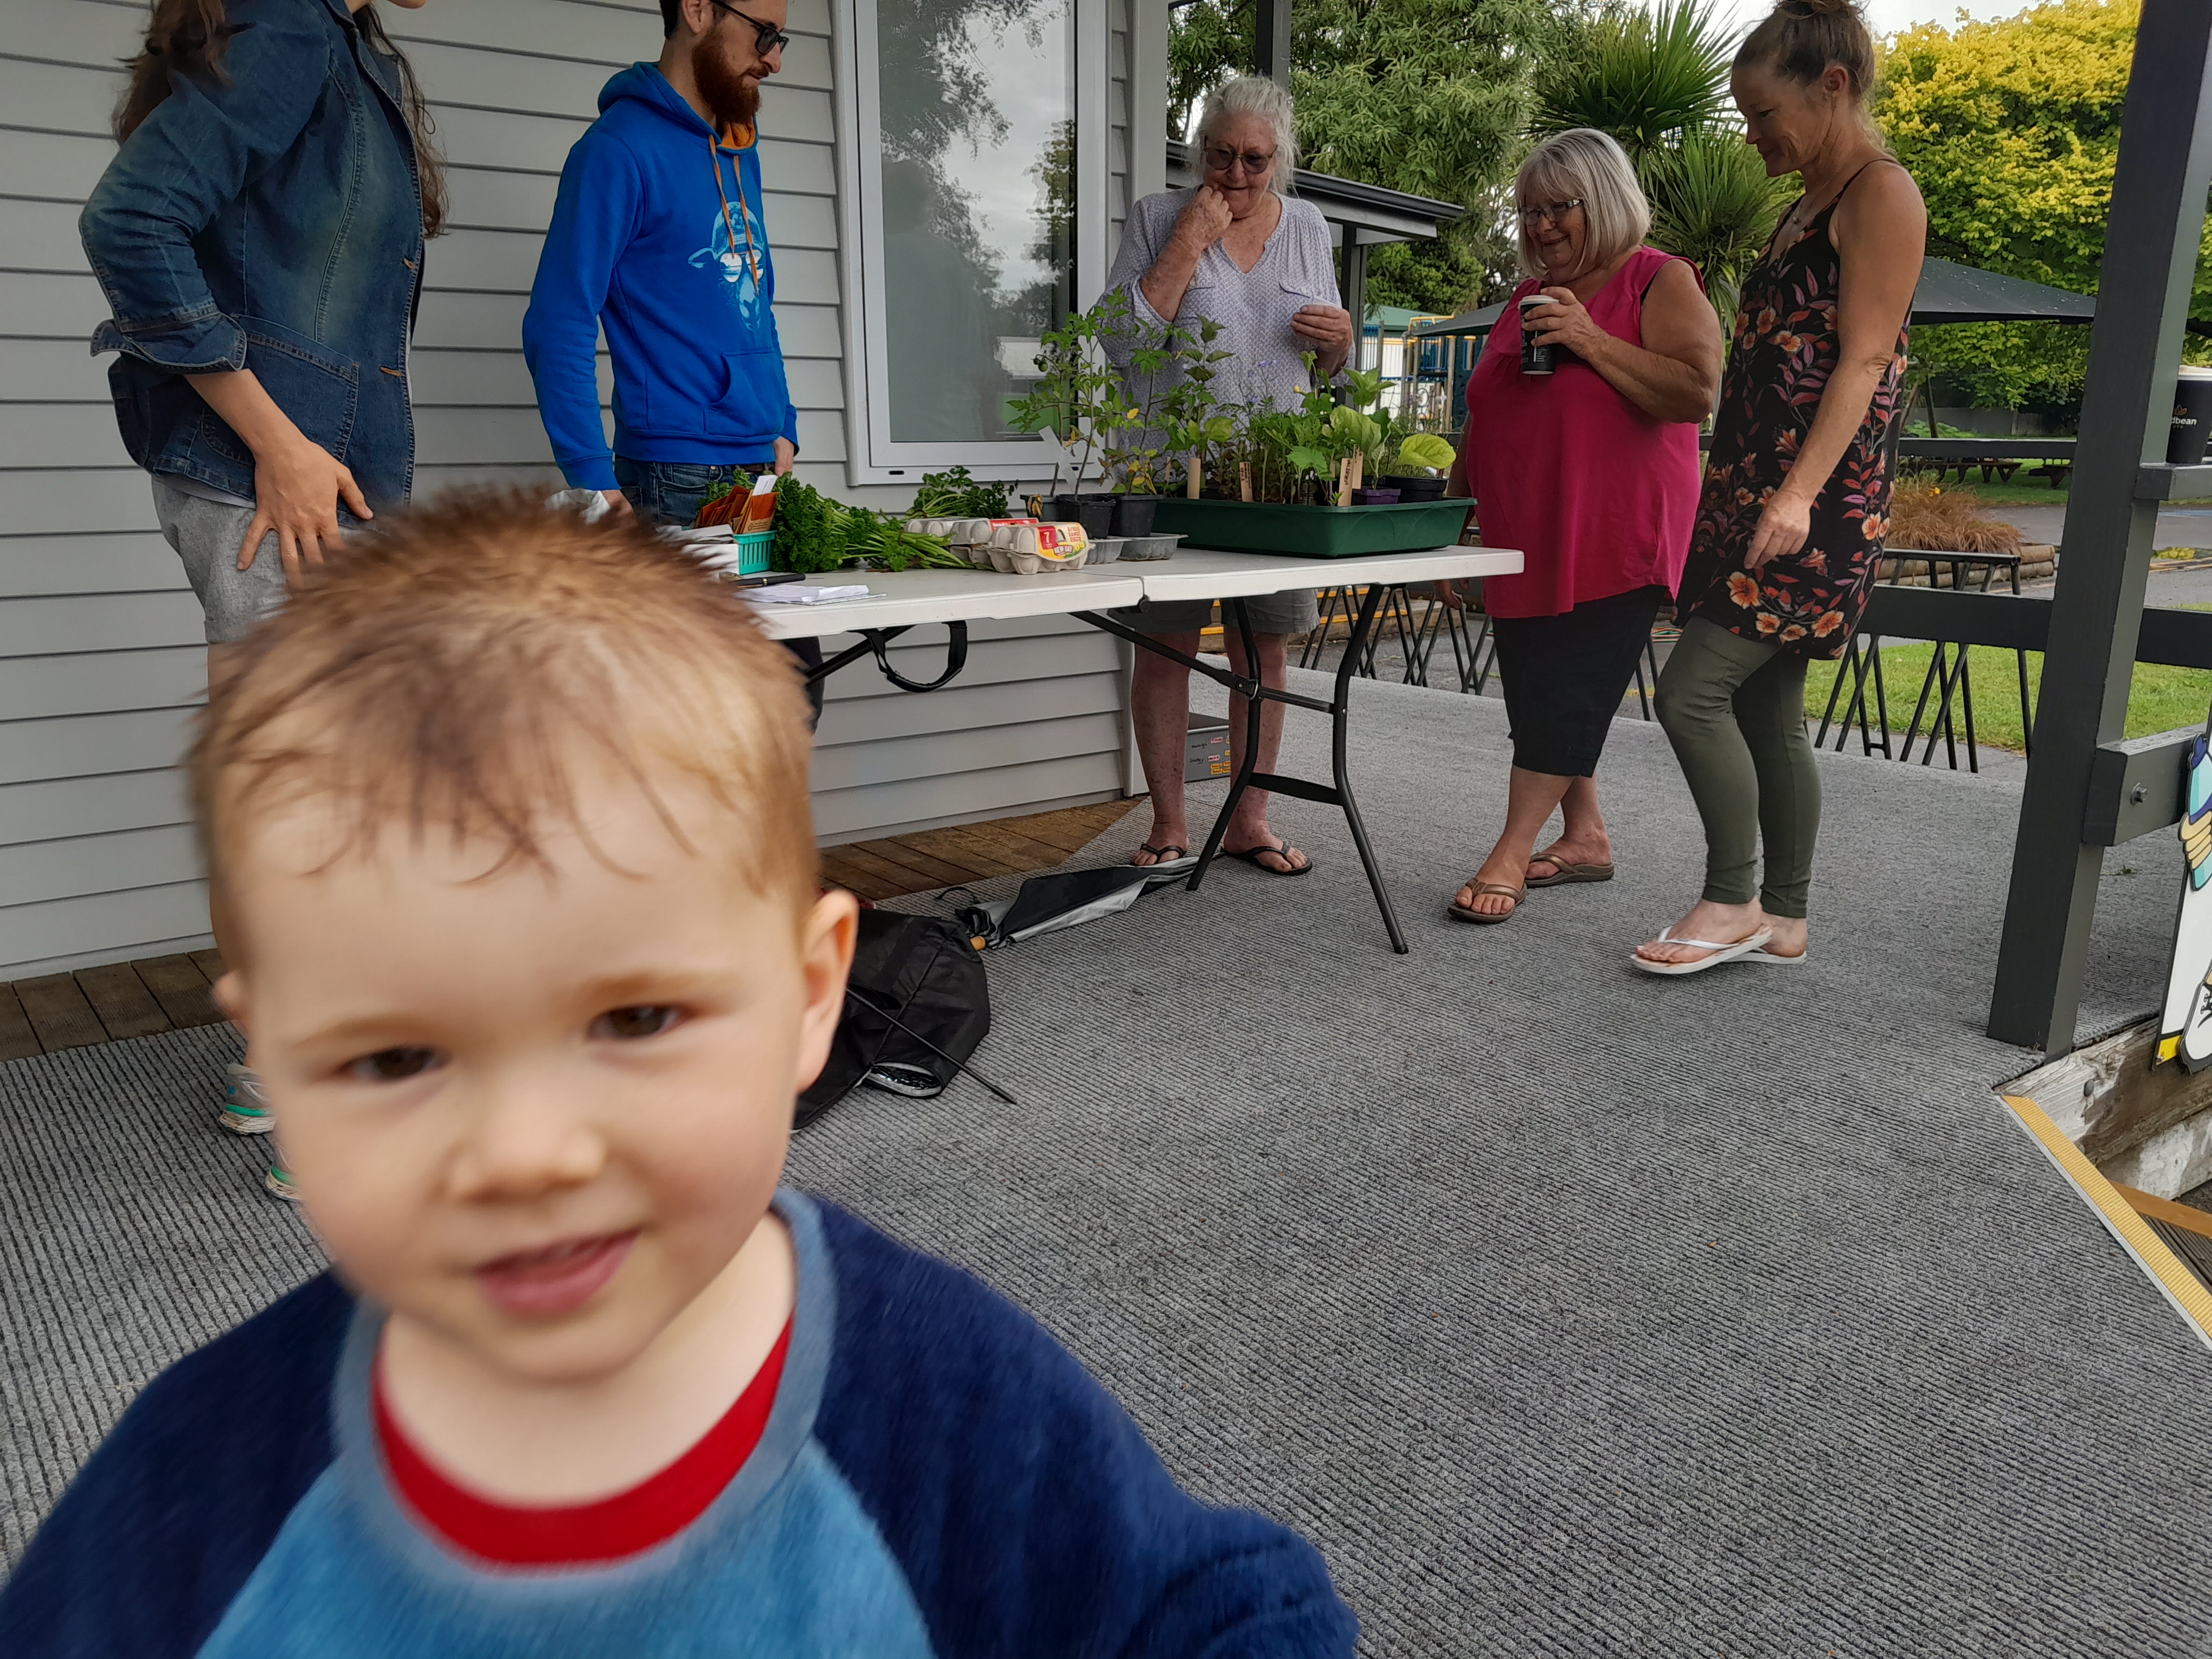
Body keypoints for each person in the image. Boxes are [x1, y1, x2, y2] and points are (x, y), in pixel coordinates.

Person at [0, 496, 1360, 1657]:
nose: (527, 1152)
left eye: (637, 1017)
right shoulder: (186, 1500)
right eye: (395, 1055)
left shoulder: (943, 1408)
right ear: (275, 1064)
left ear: (811, 993)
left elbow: (1211, 1611)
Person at [79, 0, 444, 1194]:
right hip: (274, 492)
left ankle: (275, 1068)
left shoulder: (338, 40)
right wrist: (277, 442)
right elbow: (132, 221)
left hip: (300, 483)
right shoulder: (291, 25)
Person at [1635, 0, 1924, 974]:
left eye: (1763, 114)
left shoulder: (1880, 195)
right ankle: (1786, 917)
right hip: (1754, 491)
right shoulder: (1806, 200)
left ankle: (1732, 897)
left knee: (1690, 696)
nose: (1752, 135)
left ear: (1832, 85)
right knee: (1766, 708)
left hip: (1815, 505)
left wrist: (1796, 498)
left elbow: (1867, 361)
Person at [1443, 130, 1722, 925]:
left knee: (1566, 688)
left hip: (1614, 533)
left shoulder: (1656, 281)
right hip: (1519, 536)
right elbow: (1486, 414)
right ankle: (1586, 835)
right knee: (1537, 691)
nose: (1539, 228)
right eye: (1528, 212)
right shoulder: (1524, 300)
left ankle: (1508, 854)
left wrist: (1592, 339)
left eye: (1556, 209)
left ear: (1602, 202)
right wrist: (1454, 521)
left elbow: (1697, 392)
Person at [522, 0, 822, 702]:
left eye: (785, 40)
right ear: (697, 10)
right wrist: (593, 480)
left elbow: (754, 300)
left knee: (787, 695)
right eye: (765, 36)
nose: (776, 59)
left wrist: (783, 423)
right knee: (697, 712)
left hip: (758, 474)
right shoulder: (616, 152)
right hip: (679, 479)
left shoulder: (738, 148)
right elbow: (558, 321)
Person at [1102, 75, 1354, 878]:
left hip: (1277, 488)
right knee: (1167, 648)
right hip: (1175, 479)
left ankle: (1250, 818)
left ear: (1279, 159)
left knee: (1266, 653)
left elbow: (1334, 375)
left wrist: (1340, 346)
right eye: (1222, 155)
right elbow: (1120, 346)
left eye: (1255, 159)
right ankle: (1170, 826)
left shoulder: (1310, 227)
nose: (1237, 175)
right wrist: (1188, 242)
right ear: (1198, 150)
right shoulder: (1156, 217)